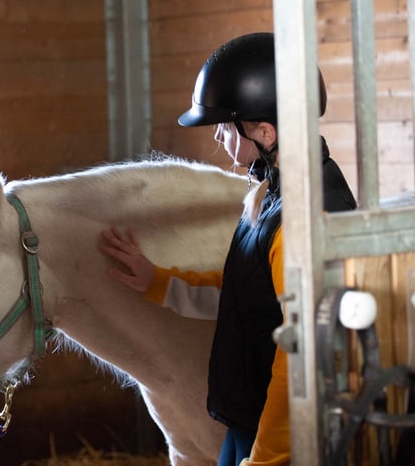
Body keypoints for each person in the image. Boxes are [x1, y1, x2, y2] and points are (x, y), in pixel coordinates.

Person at [99, 32, 356, 466]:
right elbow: (246, 296)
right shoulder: (271, 189)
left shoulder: (301, 216)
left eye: (224, 125)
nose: (217, 137)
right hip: (249, 426)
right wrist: (161, 282)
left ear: (265, 131)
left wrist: (267, 457)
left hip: (283, 442)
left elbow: (301, 355)